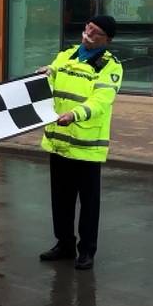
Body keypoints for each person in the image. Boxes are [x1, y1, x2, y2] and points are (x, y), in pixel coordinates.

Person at [36, 15, 122, 271]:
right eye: (88, 28)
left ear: (107, 40)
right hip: (59, 141)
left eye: (96, 33)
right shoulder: (68, 55)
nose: (88, 34)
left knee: (88, 203)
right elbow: (52, 76)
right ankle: (64, 244)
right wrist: (45, 74)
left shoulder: (110, 66)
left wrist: (75, 114)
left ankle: (86, 251)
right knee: (60, 199)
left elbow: (101, 101)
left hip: (86, 144)